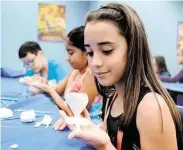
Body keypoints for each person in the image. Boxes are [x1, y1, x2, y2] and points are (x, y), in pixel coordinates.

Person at [58, 3, 183, 150]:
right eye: (90, 53)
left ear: (133, 49)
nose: (95, 63)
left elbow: (107, 145)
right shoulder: (113, 95)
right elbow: (110, 138)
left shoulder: (151, 108)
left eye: (107, 51)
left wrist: (104, 146)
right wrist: (89, 128)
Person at [33, 26, 103, 126]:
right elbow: (58, 90)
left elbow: (75, 111)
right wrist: (45, 84)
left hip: (90, 127)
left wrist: (49, 90)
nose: (67, 58)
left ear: (87, 52)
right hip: (73, 123)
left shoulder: (91, 75)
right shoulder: (74, 72)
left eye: (71, 53)